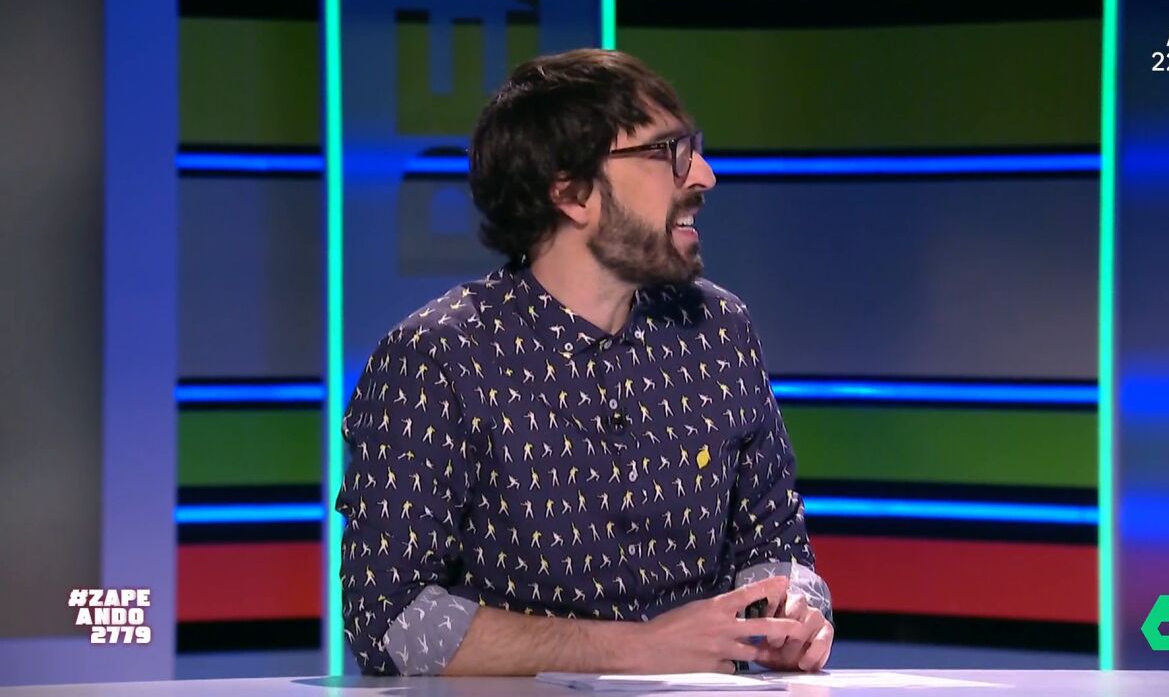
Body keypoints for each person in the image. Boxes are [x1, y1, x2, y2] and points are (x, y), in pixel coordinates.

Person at [337, 48, 833, 677]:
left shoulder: (719, 330)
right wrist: (634, 648)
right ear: (571, 192)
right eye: (667, 153)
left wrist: (790, 614)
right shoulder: (438, 360)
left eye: (695, 149)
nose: (704, 176)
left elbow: (778, 546)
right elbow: (388, 618)